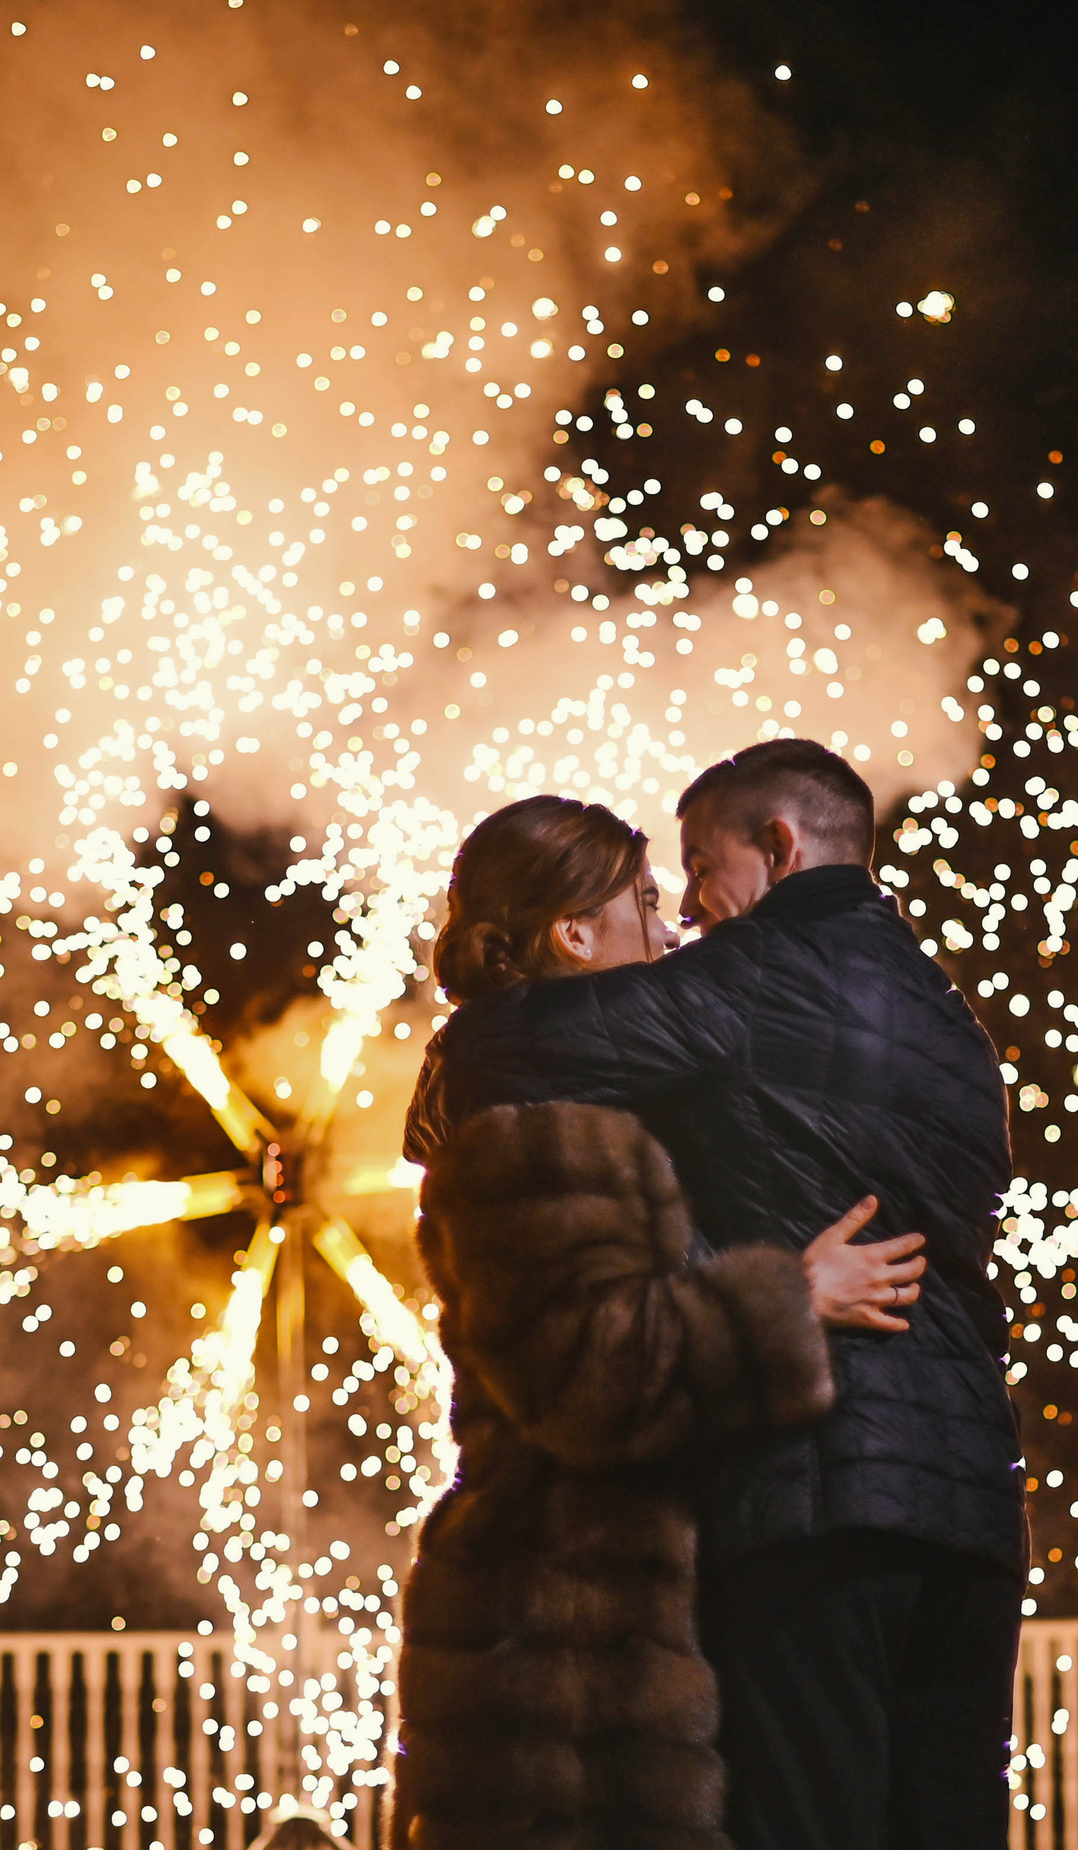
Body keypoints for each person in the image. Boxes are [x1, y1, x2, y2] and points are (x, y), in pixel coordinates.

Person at [406, 748, 1026, 1850]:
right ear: (572, 935)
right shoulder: (941, 1018)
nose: (682, 919)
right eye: (648, 897)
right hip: (576, 1627)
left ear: (780, 846)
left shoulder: (714, 1024)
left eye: (687, 877)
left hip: (663, 1591)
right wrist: (784, 1300)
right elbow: (582, 1369)